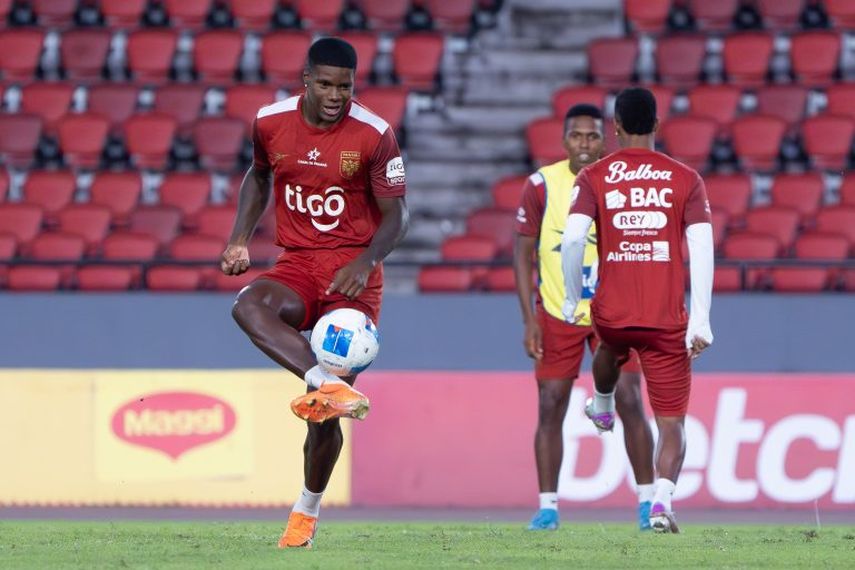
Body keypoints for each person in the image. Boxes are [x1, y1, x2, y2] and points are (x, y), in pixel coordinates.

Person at [220, 37, 408, 548]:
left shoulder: (374, 134)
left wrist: (366, 261)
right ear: (306, 79)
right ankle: (326, 382)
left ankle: (306, 511)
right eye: (325, 84)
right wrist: (239, 238)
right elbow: (259, 176)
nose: (335, 95)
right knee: (248, 305)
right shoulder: (269, 122)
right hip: (299, 263)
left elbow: (397, 214)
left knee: (320, 414)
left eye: (344, 87)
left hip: (351, 275)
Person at [560, 87, 714, 533]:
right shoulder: (686, 178)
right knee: (672, 423)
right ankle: (662, 501)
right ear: (657, 126)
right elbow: (703, 248)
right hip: (667, 320)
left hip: (614, 312)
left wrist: (572, 296)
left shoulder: (593, 176)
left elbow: (573, 239)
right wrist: (701, 319)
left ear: (616, 128)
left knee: (608, 348)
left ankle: (602, 402)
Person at [514, 104, 656, 532]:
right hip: (558, 312)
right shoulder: (541, 185)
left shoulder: (621, 181)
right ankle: (548, 508)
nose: (584, 143)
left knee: (630, 397)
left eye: (592, 136)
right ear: (563, 140)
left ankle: (648, 503)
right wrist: (529, 320)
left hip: (614, 312)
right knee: (550, 403)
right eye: (576, 136)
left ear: (604, 140)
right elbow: (522, 254)